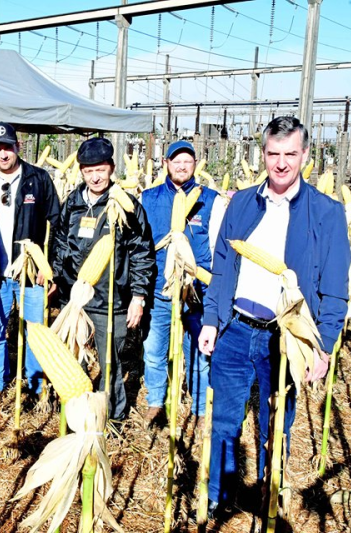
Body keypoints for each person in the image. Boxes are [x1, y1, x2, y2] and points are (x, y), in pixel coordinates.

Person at [198, 116, 349, 517]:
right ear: (262, 154)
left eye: (290, 154)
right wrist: (212, 318)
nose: (281, 163)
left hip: (285, 338)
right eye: (273, 153)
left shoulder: (326, 212)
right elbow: (223, 266)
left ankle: (268, 496)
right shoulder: (243, 202)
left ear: (304, 156)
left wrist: (324, 345)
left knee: (275, 425)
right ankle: (218, 496)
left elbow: (335, 289)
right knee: (225, 421)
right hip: (234, 328)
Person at [52, 137, 155, 421]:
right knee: (76, 365)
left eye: (100, 169)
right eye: (88, 170)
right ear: (81, 172)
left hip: (113, 299)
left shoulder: (127, 206)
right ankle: (80, 418)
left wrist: (138, 296)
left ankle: (114, 418)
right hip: (77, 299)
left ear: (111, 169)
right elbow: (61, 243)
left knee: (111, 365)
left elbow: (142, 252)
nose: (95, 176)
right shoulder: (73, 202)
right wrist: (55, 278)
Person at [0, 122, 60, 402]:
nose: (3, 154)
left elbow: (56, 224)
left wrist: (50, 268)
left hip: (31, 273)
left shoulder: (39, 178)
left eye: (7, 147)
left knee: (35, 331)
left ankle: (35, 385)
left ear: (17, 147)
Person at [140, 140, 225, 427]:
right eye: (176, 160)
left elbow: (219, 245)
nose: (181, 165)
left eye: (188, 161)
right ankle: (155, 402)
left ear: (195, 165)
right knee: (154, 349)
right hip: (160, 289)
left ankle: (201, 408)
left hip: (197, 291)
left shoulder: (211, 200)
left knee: (200, 352)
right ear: (166, 163)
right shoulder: (148, 198)